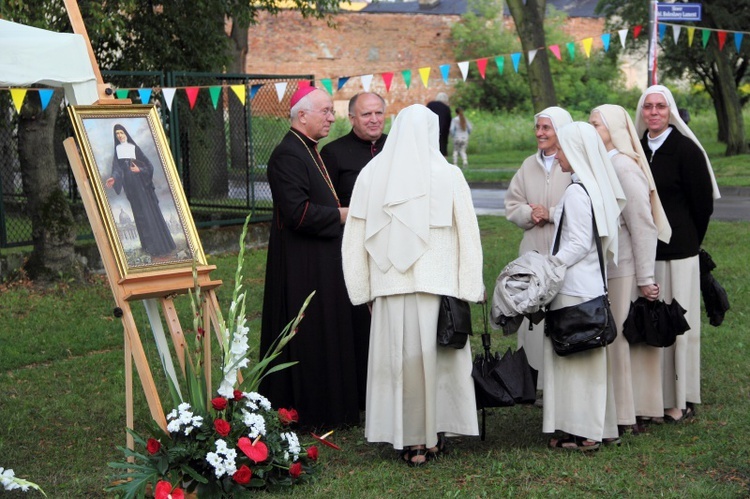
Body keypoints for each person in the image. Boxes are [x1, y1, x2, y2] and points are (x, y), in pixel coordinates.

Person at [341, 104, 484, 466]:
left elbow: (354, 238)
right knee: (437, 362)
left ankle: (410, 441)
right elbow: (469, 235)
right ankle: (432, 436)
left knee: (399, 365)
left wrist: (362, 288)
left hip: (391, 286)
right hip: (437, 286)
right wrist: (470, 285)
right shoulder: (449, 174)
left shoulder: (371, 175)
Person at [259, 86, 360, 429]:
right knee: (311, 335)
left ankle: (335, 408)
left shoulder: (310, 150)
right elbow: (297, 213)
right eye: (326, 111)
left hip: (321, 259)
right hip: (302, 265)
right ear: (302, 116)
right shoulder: (288, 154)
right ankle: (311, 412)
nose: (333, 118)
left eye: (332, 111)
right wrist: (347, 214)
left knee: (328, 330)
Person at [634, 85, 720, 423]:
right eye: (648, 107)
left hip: (681, 252)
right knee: (650, 323)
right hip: (646, 252)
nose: (654, 113)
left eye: (661, 106)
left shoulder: (686, 150)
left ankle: (681, 398)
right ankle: (653, 397)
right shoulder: (637, 150)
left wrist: (688, 240)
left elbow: (703, 206)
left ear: (670, 111)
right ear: (641, 112)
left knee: (681, 326)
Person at [589, 104, 672, 435]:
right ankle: (617, 409)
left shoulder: (624, 166)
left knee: (620, 340)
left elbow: (643, 224)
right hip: (605, 268)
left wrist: (645, 277)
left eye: (596, 124)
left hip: (622, 268)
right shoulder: (603, 164)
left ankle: (627, 414)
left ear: (613, 130)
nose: (591, 128)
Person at [545, 122, 625, 451]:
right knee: (586, 366)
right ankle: (595, 426)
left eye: (561, 149)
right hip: (590, 284)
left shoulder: (577, 192)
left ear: (576, 152)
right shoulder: (590, 186)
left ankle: (587, 433)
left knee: (578, 366)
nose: (556, 154)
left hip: (576, 289)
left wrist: (551, 265)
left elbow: (578, 243)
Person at [320, 91, 387, 411]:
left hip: (396, 246)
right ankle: (362, 392)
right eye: (366, 115)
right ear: (352, 118)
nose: (373, 119)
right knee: (360, 319)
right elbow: (329, 206)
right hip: (354, 246)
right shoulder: (333, 154)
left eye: (378, 113)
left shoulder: (398, 147)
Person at [504, 107, 573, 400]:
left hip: (563, 254)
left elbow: (583, 210)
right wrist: (529, 214)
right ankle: (534, 381)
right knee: (533, 316)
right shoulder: (527, 166)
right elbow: (512, 204)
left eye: (547, 128)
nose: (541, 133)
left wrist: (553, 214)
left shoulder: (572, 165)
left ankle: (560, 381)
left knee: (562, 314)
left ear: (561, 132)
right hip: (532, 251)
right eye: (538, 128)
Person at [105, 124, 176, 260]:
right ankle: (148, 247)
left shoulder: (134, 148)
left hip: (141, 186)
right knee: (139, 216)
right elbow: (117, 169)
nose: (119, 135)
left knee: (148, 214)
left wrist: (140, 170)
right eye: (117, 133)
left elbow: (149, 166)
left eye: (121, 132)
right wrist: (114, 178)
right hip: (130, 188)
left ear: (126, 133)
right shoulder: (117, 150)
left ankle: (159, 246)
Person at [426, 92, 452, 156]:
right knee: (441, 149)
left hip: (429, 129)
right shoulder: (446, 108)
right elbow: (448, 124)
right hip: (441, 131)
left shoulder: (430, 105)